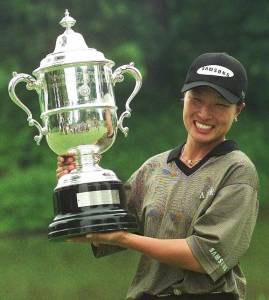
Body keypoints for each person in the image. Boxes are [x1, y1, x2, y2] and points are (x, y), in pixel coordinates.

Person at [56, 53, 259, 300]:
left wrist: (124, 238)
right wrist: (76, 186)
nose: (205, 113)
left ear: (238, 109)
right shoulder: (155, 168)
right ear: (183, 99)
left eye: (220, 104)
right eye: (196, 100)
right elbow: (102, 230)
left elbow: (202, 256)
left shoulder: (237, 171)